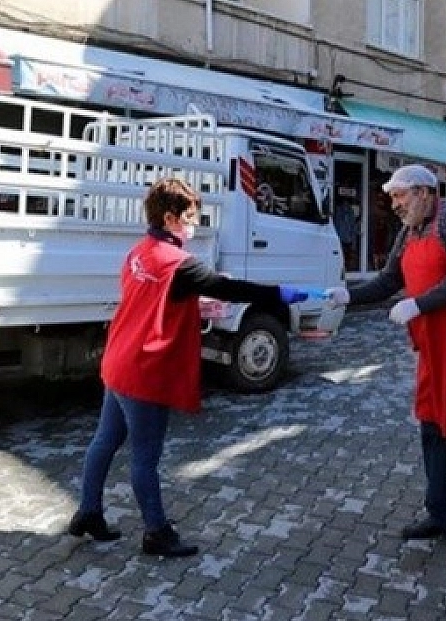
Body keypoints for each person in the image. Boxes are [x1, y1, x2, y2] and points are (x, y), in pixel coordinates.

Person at [68, 177, 309, 558]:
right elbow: (226, 289)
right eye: (191, 216)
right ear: (170, 218)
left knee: (105, 440)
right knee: (145, 457)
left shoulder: (139, 252)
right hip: (145, 369)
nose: (195, 224)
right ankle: (156, 533)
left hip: (119, 360)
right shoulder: (178, 265)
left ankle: (88, 512)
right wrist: (279, 293)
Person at [325, 164, 446, 573]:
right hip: (433, 347)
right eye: (391, 199)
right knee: (431, 427)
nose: (394, 206)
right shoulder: (408, 232)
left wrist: (419, 304)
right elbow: (389, 280)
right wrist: (347, 296)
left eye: (400, 196)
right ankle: (442, 513)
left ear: (425, 192)